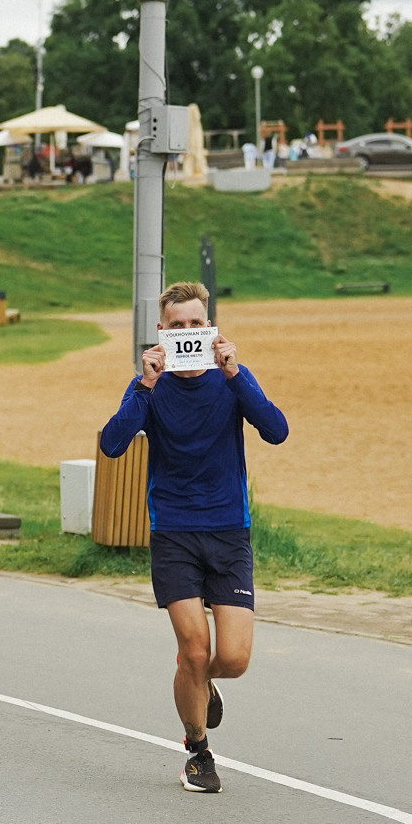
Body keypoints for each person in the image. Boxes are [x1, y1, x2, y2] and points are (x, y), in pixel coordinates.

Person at [97, 280, 290, 794]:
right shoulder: (148, 386)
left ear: (209, 328)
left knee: (233, 660)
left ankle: (200, 684)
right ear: (163, 331)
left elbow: (277, 430)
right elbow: (112, 444)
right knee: (193, 647)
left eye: (195, 325)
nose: (186, 333)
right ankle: (198, 749)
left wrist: (237, 374)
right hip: (174, 532)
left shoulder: (231, 380)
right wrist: (145, 385)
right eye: (176, 325)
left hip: (229, 530)